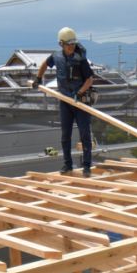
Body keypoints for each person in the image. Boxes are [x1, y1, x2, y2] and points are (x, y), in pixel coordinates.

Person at [33, 27, 95, 176]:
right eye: (68, 44)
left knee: (85, 134)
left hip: (80, 102)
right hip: (65, 101)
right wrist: (38, 78)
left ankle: (87, 166)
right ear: (61, 44)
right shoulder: (56, 57)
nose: (71, 46)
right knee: (65, 135)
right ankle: (68, 165)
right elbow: (44, 65)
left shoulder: (81, 60)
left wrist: (79, 93)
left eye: (73, 44)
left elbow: (89, 79)